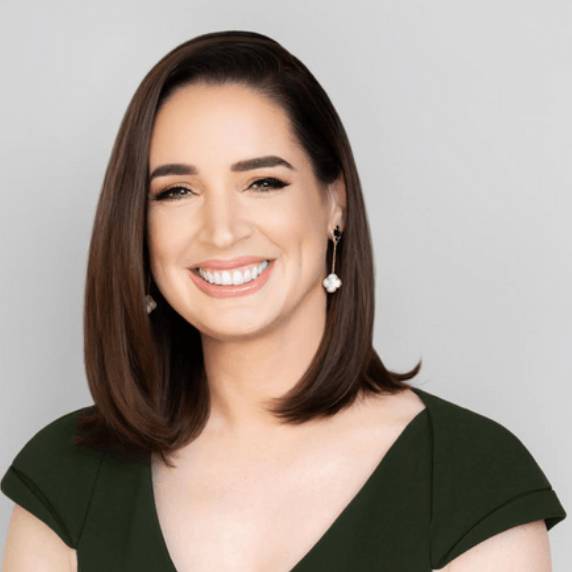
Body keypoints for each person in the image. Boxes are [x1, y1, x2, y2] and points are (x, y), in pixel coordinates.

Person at [1, 30, 566, 571]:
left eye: (263, 182)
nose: (222, 230)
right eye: (177, 191)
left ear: (335, 202)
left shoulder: (471, 483)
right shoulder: (66, 478)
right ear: (138, 228)